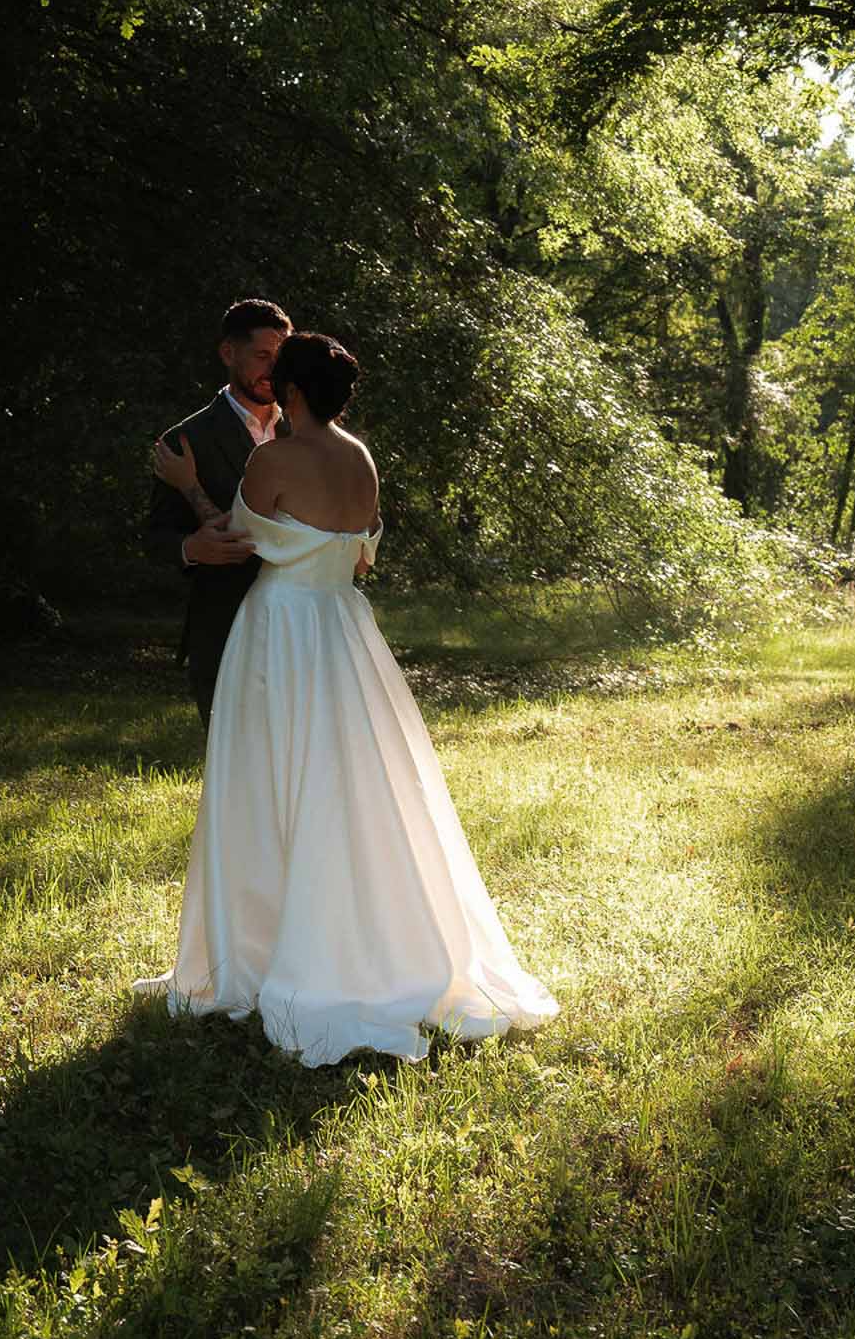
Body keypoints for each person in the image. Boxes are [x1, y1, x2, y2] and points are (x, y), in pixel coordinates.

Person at [135, 331, 558, 1067]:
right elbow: (360, 553)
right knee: (357, 786)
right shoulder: (359, 456)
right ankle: (373, 938)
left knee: (267, 782)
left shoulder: (272, 460)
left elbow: (232, 538)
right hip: (341, 627)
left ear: (290, 392)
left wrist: (186, 485)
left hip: (279, 632)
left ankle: (267, 951)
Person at [145, 298, 293, 728]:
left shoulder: (307, 433)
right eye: (262, 357)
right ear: (229, 353)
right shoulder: (186, 439)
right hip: (222, 628)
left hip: (300, 629)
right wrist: (192, 548)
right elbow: (156, 538)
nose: (273, 370)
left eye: (281, 358)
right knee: (231, 771)